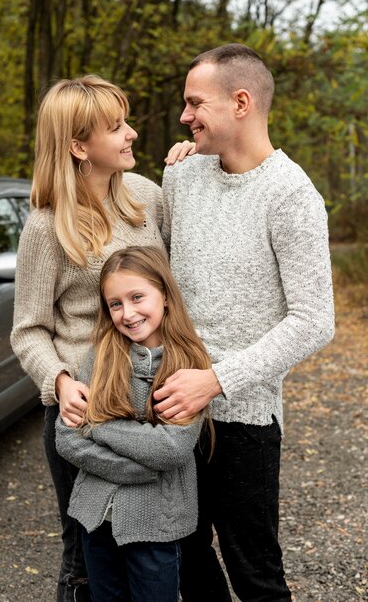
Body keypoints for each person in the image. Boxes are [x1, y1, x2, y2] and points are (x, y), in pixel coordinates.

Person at [154, 43, 335, 601]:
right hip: (173, 412)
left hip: (245, 422)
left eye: (193, 103)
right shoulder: (182, 179)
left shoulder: (292, 195)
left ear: (240, 102)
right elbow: (156, 281)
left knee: (255, 574)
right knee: (180, 551)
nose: (184, 117)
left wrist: (217, 379)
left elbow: (314, 320)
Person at [10, 75, 186, 601]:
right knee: (85, 549)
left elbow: (174, 287)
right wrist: (58, 380)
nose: (131, 133)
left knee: (159, 541)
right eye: (116, 127)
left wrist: (191, 167)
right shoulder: (46, 226)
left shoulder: (148, 197)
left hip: (153, 400)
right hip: (82, 411)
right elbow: (29, 329)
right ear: (79, 146)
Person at [55, 245, 210, 602]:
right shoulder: (100, 355)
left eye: (137, 296)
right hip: (96, 519)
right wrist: (140, 469)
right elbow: (66, 438)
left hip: (155, 525)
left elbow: (170, 449)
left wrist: (96, 425)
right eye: (115, 304)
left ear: (166, 296)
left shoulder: (190, 365)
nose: (127, 313)